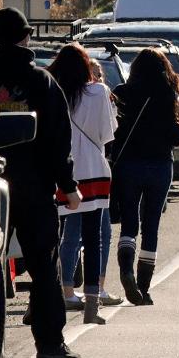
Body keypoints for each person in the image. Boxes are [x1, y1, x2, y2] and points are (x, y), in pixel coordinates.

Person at [0, 8, 82, 358]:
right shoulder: (41, 82)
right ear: (26, 37)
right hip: (34, 187)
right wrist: (68, 185)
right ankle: (50, 344)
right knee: (43, 267)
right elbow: (59, 139)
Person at [110, 49, 179, 306]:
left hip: (128, 165)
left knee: (129, 222)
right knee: (151, 225)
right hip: (159, 165)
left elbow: (112, 131)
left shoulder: (121, 93)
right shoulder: (167, 95)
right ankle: (143, 287)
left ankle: (125, 271)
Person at [50, 45, 117, 323]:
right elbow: (107, 134)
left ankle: (63, 290)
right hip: (93, 168)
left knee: (60, 235)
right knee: (93, 238)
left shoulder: (52, 91)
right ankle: (92, 305)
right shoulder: (99, 92)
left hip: (59, 170)